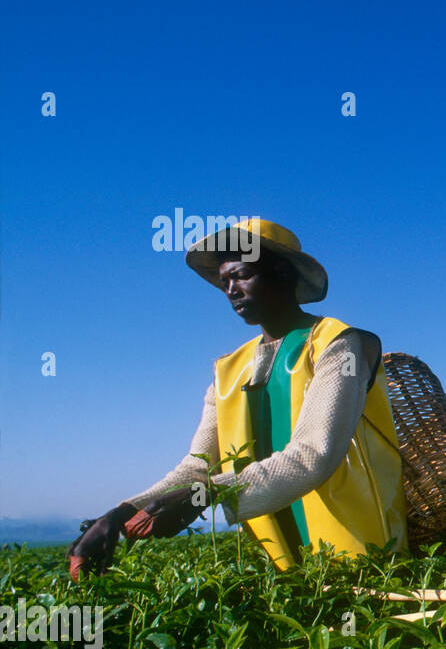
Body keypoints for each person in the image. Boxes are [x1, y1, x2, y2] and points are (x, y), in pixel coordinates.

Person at [67, 218, 407, 576]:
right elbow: (198, 467)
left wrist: (206, 495)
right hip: (279, 567)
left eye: (242, 275)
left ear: (283, 274)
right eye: (224, 281)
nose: (231, 289)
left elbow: (314, 455)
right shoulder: (229, 370)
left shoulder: (339, 344)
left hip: (362, 555)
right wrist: (119, 515)